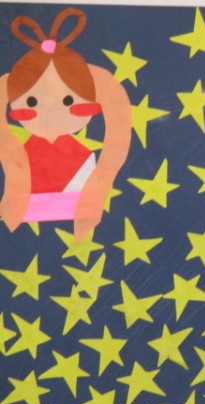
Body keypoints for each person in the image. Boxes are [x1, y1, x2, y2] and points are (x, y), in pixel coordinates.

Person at [0, 7, 131, 240]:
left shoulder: (81, 156)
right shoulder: (22, 157)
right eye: (32, 101)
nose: (50, 108)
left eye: (68, 100)